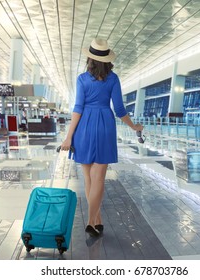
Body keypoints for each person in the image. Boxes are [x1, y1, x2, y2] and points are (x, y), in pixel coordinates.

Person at [60, 38, 143, 237]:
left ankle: (95, 220)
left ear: (90, 58)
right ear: (107, 59)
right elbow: (120, 109)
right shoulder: (113, 79)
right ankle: (93, 220)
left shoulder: (82, 79)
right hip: (105, 124)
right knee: (99, 179)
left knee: (88, 178)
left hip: (84, 127)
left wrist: (68, 137)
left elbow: (78, 108)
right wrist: (134, 127)